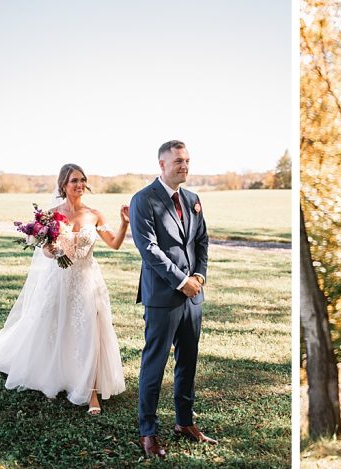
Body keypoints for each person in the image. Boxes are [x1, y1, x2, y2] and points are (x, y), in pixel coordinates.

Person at [0, 163, 127, 415]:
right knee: (55, 328)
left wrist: (124, 223)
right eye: (74, 181)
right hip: (58, 280)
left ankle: (91, 392)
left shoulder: (94, 214)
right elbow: (45, 250)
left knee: (90, 330)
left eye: (82, 180)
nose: (79, 184)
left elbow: (114, 244)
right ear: (63, 185)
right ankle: (56, 375)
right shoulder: (50, 215)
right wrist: (53, 251)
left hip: (87, 281)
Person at [129, 140, 213, 459]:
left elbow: (202, 241)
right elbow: (149, 249)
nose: (185, 165)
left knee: (187, 362)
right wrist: (181, 282)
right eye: (178, 161)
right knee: (155, 363)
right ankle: (148, 432)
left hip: (194, 297)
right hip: (163, 296)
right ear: (161, 165)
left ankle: (184, 422)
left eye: (188, 160)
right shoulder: (143, 200)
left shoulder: (193, 199)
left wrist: (199, 278)